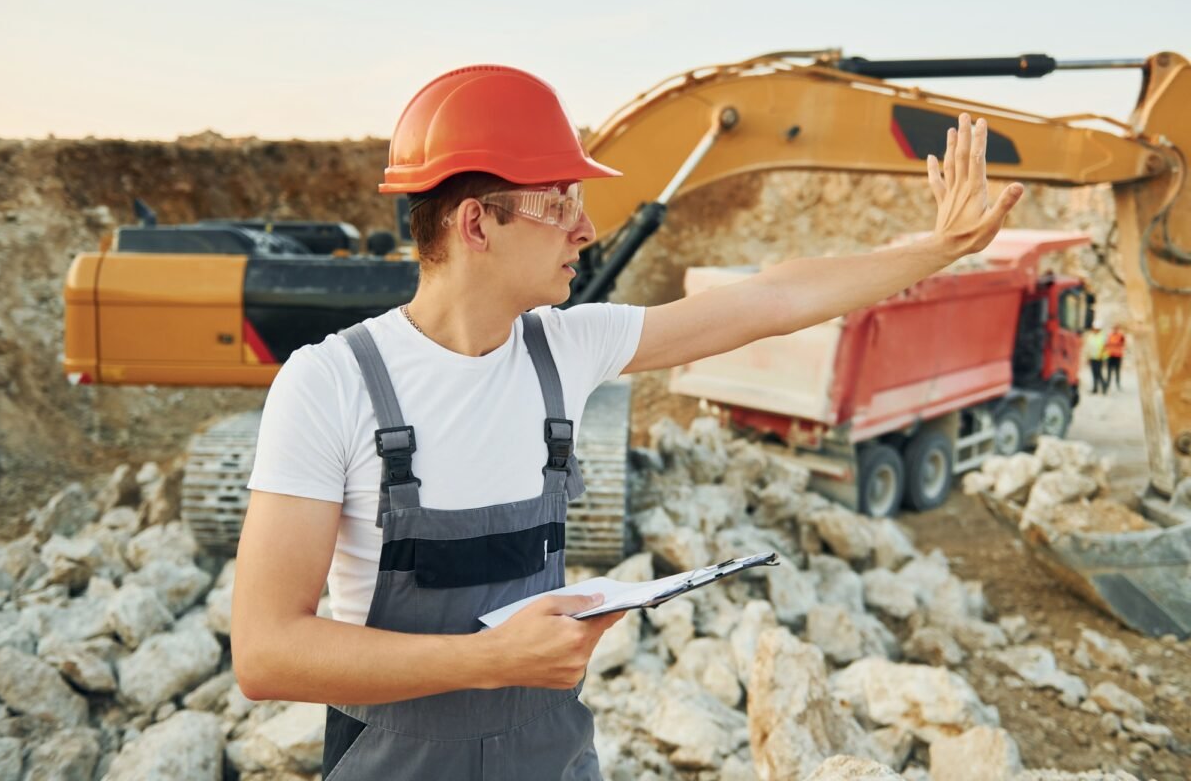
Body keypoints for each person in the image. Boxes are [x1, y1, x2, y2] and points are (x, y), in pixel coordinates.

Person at [229, 65, 1024, 780]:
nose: (586, 229)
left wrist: (939, 247)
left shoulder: (568, 350)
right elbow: (267, 653)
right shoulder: (331, 385)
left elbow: (771, 299)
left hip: (554, 759)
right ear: (475, 225)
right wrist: (490, 659)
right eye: (559, 203)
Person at [1084, 322, 1107, 394]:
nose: (1094, 330)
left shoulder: (1102, 337)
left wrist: (1103, 358)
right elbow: (1088, 347)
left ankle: (1104, 385)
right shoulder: (1091, 336)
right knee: (1093, 373)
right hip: (1092, 357)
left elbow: (1104, 348)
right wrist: (1087, 357)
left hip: (1099, 358)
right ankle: (1095, 388)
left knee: (1098, 373)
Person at [1105, 324, 1126, 391]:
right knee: (1109, 371)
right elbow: (1107, 344)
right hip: (1110, 355)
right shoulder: (1109, 335)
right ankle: (1108, 384)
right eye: (1114, 328)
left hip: (1118, 356)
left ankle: (1118, 384)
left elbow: (1123, 344)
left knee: (1117, 371)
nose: (1115, 330)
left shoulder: (1121, 336)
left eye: (1116, 328)